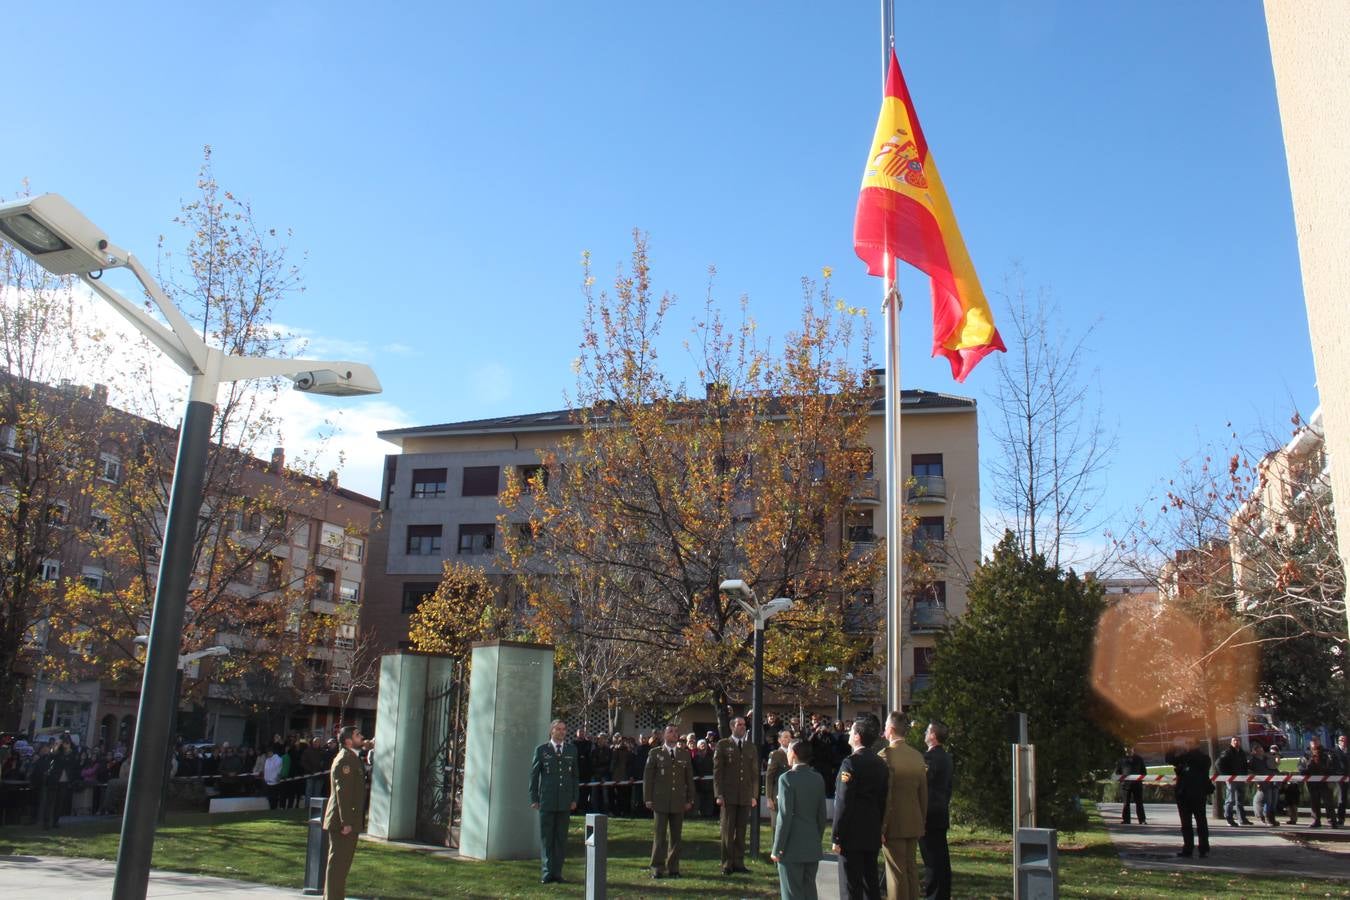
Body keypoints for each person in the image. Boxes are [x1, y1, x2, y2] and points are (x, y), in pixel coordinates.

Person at [832, 716, 888, 900]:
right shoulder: (880, 764)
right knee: (870, 883)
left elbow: (843, 802)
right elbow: (882, 799)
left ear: (857, 736)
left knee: (850, 886)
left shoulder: (851, 763)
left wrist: (837, 835)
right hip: (872, 828)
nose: (848, 733)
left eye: (851, 731)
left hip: (852, 832)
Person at [771, 739, 827, 900]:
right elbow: (821, 816)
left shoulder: (786, 778)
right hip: (811, 844)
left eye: (788, 750)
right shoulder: (818, 778)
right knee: (809, 890)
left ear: (793, 754)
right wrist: (816, 838)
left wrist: (777, 847)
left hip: (791, 846)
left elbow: (785, 816)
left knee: (791, 892)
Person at [879, 712, 927, 900]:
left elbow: (885, 794)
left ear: (890, 730)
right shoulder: (917, 756)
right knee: (910, 869)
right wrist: (921, 820)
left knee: (896, 873)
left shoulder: (885, 756)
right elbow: (923, 793)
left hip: (892, 823)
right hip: (914, 820)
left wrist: (881, 825)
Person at [530, 719, 579, 884]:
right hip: (547, 800)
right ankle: (547, 872)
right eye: (558, 729)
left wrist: (574, 798)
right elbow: (534, 776)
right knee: (547, 838)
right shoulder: (542, 750)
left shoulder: (571, 750)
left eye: (564, 729)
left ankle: (557, 872)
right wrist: (534, 798)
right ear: (551, 731)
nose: (561, 732)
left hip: (564, 801)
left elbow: (575, 777)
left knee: (560, 838)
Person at [643, 724, 695, 879]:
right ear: (664, 735)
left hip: (678, 801)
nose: (674, 734)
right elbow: (648, 778)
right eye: (670, 732)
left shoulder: (684, 754)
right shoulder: (655, 753)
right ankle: (657, 867)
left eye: (676, 732)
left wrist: (690, 799)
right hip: (660, 800)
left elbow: (689, 779)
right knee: (659, 836)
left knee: (676, 837)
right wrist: (648, 798)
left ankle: (673, 868)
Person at [323, 725, 366, 900]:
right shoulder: (345, 760)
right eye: (357, 735)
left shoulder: (352, 757)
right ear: (349, 740)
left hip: (348, 820)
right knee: (338, 867)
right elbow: (343, 793)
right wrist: (346, 822)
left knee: (341, 868)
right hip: (343, 823)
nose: (361, 737)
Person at [714, 715, 760, 875]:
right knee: (727, 830)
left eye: (744, 724)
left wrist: (754, 795)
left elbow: (754, 773)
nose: (742, 727)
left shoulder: (750, 747)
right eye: (739, 724)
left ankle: (739, 862)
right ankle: (727, 863)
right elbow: (718, 772)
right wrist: (719, 794)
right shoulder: (723, 744)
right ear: (732, 726)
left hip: (745, 795)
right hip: (728, 795)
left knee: (741, 831)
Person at [918, 721, 953, 900]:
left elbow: (923, 785)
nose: (924, 733)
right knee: (941, 858)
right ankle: (942, 893)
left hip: (929, 815)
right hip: (940, 813)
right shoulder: (946, 757)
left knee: (932, 861)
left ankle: (934, 895)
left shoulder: (929, 759)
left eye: (927, 731)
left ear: (933, 735)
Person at [1165, 737, 1212, 858]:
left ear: (1197, 744)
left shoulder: (1202, 758)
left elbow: (1197, 761)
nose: (1188, 745)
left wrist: (1185, 752)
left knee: (1201, 822)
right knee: (1186, 824)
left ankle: (1203, 848)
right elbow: (1169, 759)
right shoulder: (1184, 757)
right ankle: (1188, 848)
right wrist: (1173, 746)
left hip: (1197, 793)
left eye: (1190, 743)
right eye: (1187, 743)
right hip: (1184, 794)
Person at [1299, 737, 1338, 828]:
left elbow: (1333, 766)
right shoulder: (1306, 754)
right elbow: (1301, 767)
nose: (1314, 743)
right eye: (1312, 742)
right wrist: (1307, 767)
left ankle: (1332, 821)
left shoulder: (1327, 753)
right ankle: (1316, 821)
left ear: (1319, 742)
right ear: (1310, 743)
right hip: (1312, 783)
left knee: (1328, 802)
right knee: (1314, 802)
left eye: (1316, 741)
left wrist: (1327, 773)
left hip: (1325, 782)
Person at [1216, 736, 1252, 825]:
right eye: (1234, 740)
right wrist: (1226, 776)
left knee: (1240, 799)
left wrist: (1246, 776)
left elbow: (1244, 765)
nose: (1236, 742)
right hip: (1231, 779)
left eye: (1238, 740)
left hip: (1241, 778)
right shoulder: (1227, 752)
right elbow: (1218, 763)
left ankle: (1242, 819)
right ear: (1231, 742)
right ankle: (1229, 818)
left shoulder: (1241, 753)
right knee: (1230, 799)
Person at [766, 730, 793, 831]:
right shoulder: (776, 754)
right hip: (777, 796)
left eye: (790, 737)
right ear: (779, 740)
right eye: (785, 737)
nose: (789, 739)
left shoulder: (795, 754)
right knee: (777, 827)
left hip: (791, 795)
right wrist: (769, 798)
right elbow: (769, 776)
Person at [1114, 745, 1147, 825]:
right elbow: (1117, 772)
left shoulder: (1139, 759)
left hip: (1137, 785)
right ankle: (1126, 820)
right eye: (1127, 749)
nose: (1128, 750)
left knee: (1139, 803)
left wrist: (1139, 778)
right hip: (1125, 785)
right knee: (1126, 803)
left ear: (1133, 749)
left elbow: (1144, 772)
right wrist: (1122, 779)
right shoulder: (1121, 760)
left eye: (1130, 748)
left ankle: (1142, 820)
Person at [1248, 743, 1278, 826]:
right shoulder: (1253, 761)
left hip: (1272, 782)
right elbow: (1251, 773)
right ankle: (1267, 818)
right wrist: (1257, 783)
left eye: (1262, 749)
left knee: (1273, 802)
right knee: (1267, 801)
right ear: (1255, 751)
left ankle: (1272, 818)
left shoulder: (1266, 759)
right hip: (1262, 783)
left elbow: (1274, 766)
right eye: (1259, 749)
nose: (1262, 751)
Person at [1334, 734, 1348, 828]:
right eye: (1341, 740)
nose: (1343, 742)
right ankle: (1341, 819)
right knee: (1342, 799)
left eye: (1344, 740)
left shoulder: (1348, 750)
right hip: (1340, 778)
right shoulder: (1334, 751)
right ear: (1338, 741)